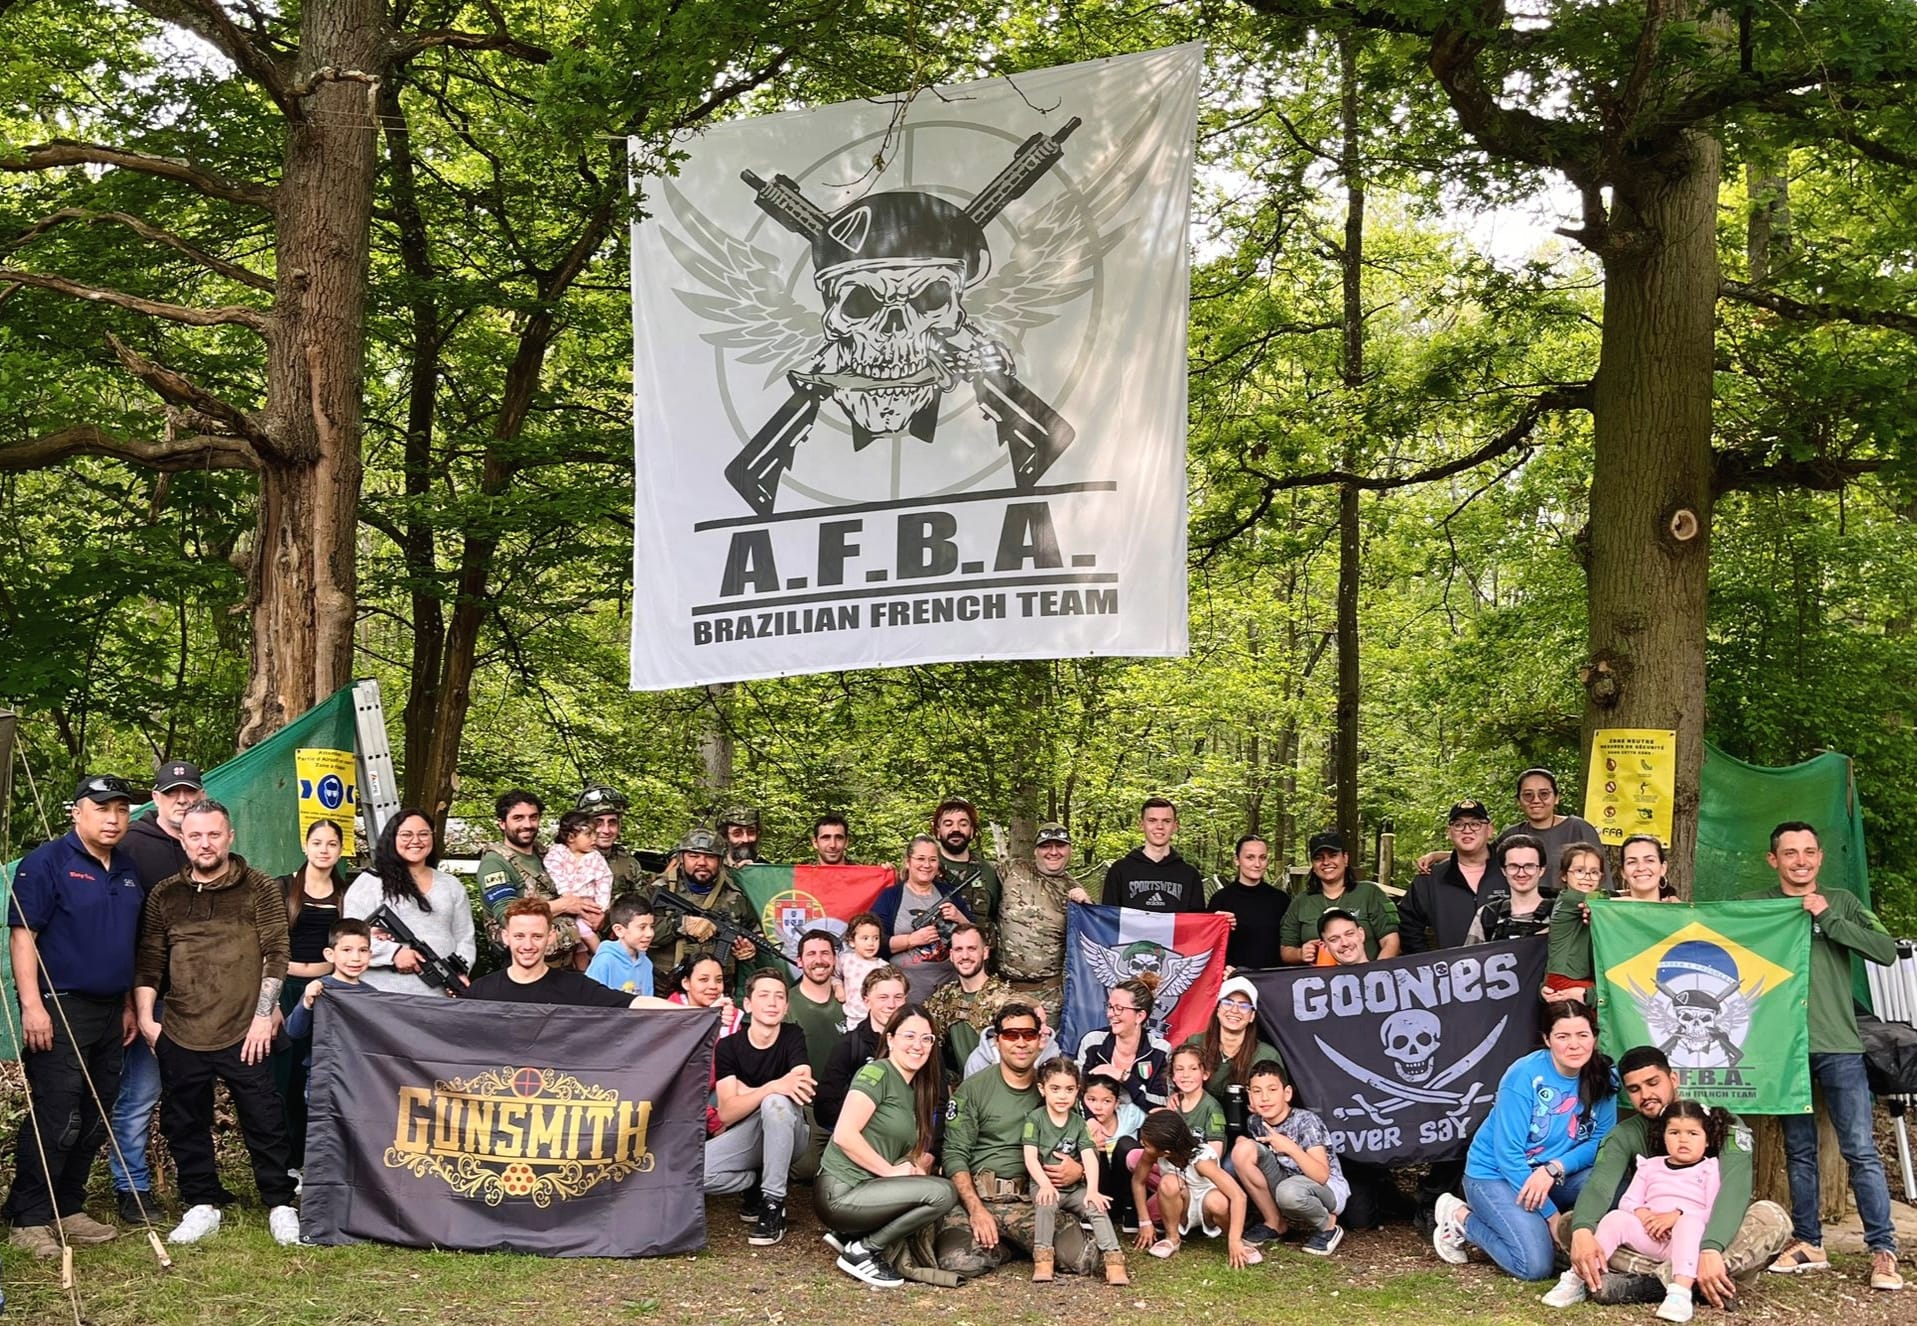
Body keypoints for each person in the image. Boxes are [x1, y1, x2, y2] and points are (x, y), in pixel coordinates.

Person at [132, 798, 299, 1246]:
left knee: (264, 1118)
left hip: (246, 1029)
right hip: (181, 1028)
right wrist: (147, 1019)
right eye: (196, 835)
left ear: (230, 837)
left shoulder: (259, 887)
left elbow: (277, 952)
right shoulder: (165, 894)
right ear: (183, 841)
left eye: (213, 834)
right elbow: (149, 961)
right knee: (184, 1120)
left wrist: (263, 1016)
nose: (205, 843)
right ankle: (201, 1203)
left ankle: (280, 1202)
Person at [1752, 821, 1901, 1290]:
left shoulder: (1843, 902)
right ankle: (1809, 1243)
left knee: (1860, 1148)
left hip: (1839, 1043)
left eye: (1809, 852)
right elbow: (1706, 934)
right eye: (1790, 853)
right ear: (1773, 860)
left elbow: (1885, 950)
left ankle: (1883, 1250)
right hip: (1784, 1047)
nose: (1801, 861)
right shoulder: (1756, 906)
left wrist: (1827, 916)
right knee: (1799, 1150)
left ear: (1819, 857)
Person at [4, 774, 143, 1258]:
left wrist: (128, 1005)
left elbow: (124, 943)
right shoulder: (46, 863)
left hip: (111, 1011)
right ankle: (28, 1216)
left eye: (121, 809)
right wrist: (32, 1005)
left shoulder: (126, 868)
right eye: (102, 808)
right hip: (59, 1006)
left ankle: (67, 1207)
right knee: (57, 1113)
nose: (113, 818)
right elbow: (23, 937)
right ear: (76, 812)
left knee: (96, 1112)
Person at [1563, 1046, 1790, 1310]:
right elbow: (1600, 1185)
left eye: (1653, 1083)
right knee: (1572, 1225)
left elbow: (1734, 1190)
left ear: (1673, 1079)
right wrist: (1582, 1231)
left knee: (1772, 1218)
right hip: (1653, 1240)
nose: (1645, 1095)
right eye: (1635, 1089)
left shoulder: (1719, 1123)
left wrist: (1711, 1248)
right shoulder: (1625, 1134)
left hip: (1709, 1234)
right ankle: (1689, 1282)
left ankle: (1651, 1286)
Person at [1433, 1000, 1618, 1280]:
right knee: (1534, 1266)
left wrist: (1554, 1168)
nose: (1574, 1045)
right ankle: (1460, 1218)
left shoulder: (1604, 1075)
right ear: (1547, 1040)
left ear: (1594, 1037)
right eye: (1562, 1036)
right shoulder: (1524, 1075)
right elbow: (1508, 1156)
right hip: (1498, 1175)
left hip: (1553, 1174)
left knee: (1615, 1187)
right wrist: (1552, 1217)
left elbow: (1600, 1141)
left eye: (1582, 1035)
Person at [937, 1003, 1094, 1279]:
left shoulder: (1055, 1088)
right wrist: (975, 1209)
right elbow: (954, 1154)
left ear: (1039, 1040)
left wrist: (1078, 1170)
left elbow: (1084, 1142)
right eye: (1011, 1035)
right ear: (997, 1041)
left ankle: (1014, 1242)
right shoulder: (973, 1089)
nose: (1021, 1043)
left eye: (1029, 1035)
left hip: (1034, 1202)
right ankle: (1010, 1246)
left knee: (1081, 1260)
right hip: (982, 1198)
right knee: (959, 1261)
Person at [111, 757, 200, 1223]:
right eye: (172, 794)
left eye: (189, 792)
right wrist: (131, 1000)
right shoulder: (131, 846)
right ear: (156, 798)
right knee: (140, 1094)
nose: (182, 800)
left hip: (201, 999)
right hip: (150, 995)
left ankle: (197, 1186)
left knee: (190, 1094)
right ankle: (131, 1186)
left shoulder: (206, 842)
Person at [1544, 1100, 1732, 1322]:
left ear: (1707, 1139)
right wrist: (1643, 1214)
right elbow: (1628, 1201)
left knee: (1689, 1224)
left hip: (1685, 1243)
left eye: (1693, 1133)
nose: (1683, 1139)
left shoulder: (1710, 1169)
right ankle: (1577, 1277)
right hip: (1650, 1238)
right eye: (1674, 1133)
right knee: (1615, 1218)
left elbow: (1715, 1210)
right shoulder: (1650, 1166)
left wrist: (1677, 1216)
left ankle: (1680, 1293)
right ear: (1664, 1136)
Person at [816, 1002, 957, 1288]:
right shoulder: (877, 1073)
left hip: (867, 1189)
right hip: (841, 1191)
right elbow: (844, 1134)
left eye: (926, 1038)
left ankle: (849, 1236)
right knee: (943, 1193)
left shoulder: (914, 1088)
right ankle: (863, 1250)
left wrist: (913, 1167)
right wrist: (890, 1172)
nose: (918, 1045)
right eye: (909, 1036)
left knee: (926, 1181)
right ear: (890, 1039)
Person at [707, 970, 814, 1246]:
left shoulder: (792, 1035)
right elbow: (726, 1112)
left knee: (776, 1104)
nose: (772, 1002)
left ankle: (773, 1203)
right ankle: (753, 1180)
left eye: (779, 997)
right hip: (749, 1135)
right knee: (695, 1173)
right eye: (764, 995)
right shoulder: (729, 1047)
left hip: (791, 1134)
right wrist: (772, 1087)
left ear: (786, 1006)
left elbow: (801, 1087)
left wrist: (747, 1092)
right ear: (748, 1004)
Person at [274, 817, 350, 1170]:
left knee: (316, 1075)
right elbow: (264, 944)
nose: (324, 850)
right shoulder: (282, 887)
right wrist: (269, 1001)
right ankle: (282, 1162)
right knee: (282, 1075)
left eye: (332, 844)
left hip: (325, 991)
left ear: (340, 850)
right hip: (284, 987)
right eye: (317, 842)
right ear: (305, 846)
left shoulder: (346, 895)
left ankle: (312, 1160)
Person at [343, 809, 477, 995]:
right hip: (382, 995)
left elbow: (465, 938)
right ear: (392, 838)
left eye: (424, 834)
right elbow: (348, 937)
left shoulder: (451, 885)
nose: (416, 840)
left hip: (438, 997)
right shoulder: (371, 882)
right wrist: (393, 953)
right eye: (406, 834)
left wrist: (459, 971)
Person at [1022, 1058, 1128, 1284]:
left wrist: (1092, 1190)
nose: (1062, 1096)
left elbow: (1089, 1156)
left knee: (1096, 1206)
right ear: (1042, 1089)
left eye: (1069, 1090)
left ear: (1077, 1091)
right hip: (1044, 1185)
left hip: (1074, 1189)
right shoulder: (1035, 1119)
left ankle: (1114, 1261)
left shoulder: (1079, 1123)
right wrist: (1045, 1184)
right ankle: (1043, 1260)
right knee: (1046, 1204)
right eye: (1055, 1089)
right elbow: (1030, 1157)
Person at [1230, 1060, 1348, 1255]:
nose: (1265, 1097)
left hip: (1324, 1188)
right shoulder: (1255, 1122)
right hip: (1286, 1180)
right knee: (1242, 1150)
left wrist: (1290, 1148)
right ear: (1249, 1096)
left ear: (1287, 1093)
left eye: (1272, 1090)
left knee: (1288, 1191)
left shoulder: (1306, 1121)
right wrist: (1242, 1142)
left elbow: (1321, 1175)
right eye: (1257, 1091)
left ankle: (1329, 1226)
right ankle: (1274, 1222)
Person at [477, 791, 596, 971]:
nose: (527, 824)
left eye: (533, 817)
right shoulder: (495, 863)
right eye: (518, 818)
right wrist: (564, 905)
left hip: (566, 961)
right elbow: (508, 915)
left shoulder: (549, 856)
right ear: (502, 823)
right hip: (525, 967)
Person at [465, 899, 663, 1007]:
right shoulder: (480, 991)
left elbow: (633, 1002)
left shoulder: (575, 986)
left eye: (537, 936)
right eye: (519, 936)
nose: (528, 945)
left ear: (551, 936)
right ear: (505, 937)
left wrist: (684, 1013)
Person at [1128, 1108, 1253, 1266]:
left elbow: (1238, 1195)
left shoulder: (1201, 1161)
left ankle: (1235, 1239)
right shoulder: (1151, 1153)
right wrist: (1144, 1221)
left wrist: (1235, 1240)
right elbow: (1138, 1181)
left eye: (1146, 1145)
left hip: (1208, 1206)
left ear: (1166, 1152)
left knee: (1217, 1201)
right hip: (1183, 1203)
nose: (1142, 1145)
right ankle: (1172, 1238)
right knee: (1168, 1182)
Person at [874, 835, 976, 1000]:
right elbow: (874, 942)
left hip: (950, 993)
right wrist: (910, 940)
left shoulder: (950, 893)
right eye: (920, 859)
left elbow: (976, 939)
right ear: (908, 862)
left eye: (932, 860)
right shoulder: (890, 897)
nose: (927, 865)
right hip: (904, 995)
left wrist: (960, 918)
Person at [647, 827, 759, 976]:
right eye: (694, 856)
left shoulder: (735, 894)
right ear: (681, 858)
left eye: (710, 857)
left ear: (720, 860)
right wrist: (679, 924)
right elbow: (630, 932)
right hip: (662, 984)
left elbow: (754, 931)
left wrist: (748, 948)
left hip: (717, 986)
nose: (702, 863)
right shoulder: (659, 889)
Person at [1399, 799, 1506, 953]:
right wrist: (1428, 961)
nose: (1467, 830)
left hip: (1508, 965)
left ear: (1489, 830)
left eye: (1475, 824)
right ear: (1449, 832)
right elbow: (1408, 926)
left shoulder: (1512, 872)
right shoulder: (1430, 880)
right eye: (1458, 824)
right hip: (1451, 966)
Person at [1279, 831, 1400, 964]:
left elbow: (1391, 941)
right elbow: (1285, 950)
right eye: (1319, 858)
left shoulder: (1369, 893)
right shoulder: (1301, 901)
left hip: (1366, 973)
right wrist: (1300, 953)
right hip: (1319, 975)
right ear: (1313, 865)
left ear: (1345, 858)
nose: (1326, 862)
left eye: (1333, 855)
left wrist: (1376, 972)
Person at [784, 929, 845, 1181]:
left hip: (849, 1102)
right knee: (805, 1170)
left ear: (835, 959)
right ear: (799, 961)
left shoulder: (850, 1000)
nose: (819, 960)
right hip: (808, 1104)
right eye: (811, 954)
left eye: (825, 953)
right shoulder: (786, 1003)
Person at [282, 917, 373, 1084]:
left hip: (359, 1079)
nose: (356, 957)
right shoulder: (318, 989)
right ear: (330, 955)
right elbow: (293, 1032)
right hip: (323, 1078)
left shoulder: (372, 994)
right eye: (347, 950)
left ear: (370, 954)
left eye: (363, 950)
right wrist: (307, 1003)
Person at [817, 966, 909, 1129]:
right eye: (883, 997)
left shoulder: (920, 1043)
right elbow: (825, 1107)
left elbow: (937, 1098)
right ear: (867, 1000)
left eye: (898, 997)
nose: (891, 1004)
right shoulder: (849, 1046)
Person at [926, 924, 1015, 1074]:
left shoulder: (1006, 1000)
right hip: (959, 1086)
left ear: (985, 952)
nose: (965, 956)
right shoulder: (944, 997)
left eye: (972, 948)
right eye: (958, 949)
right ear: (951, 955)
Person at [1002, 822, 1083, 983]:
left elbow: (1091, 940)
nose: (1053, 852)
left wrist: (1087, 906)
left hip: (1049, 991)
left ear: (1070, 850)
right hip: (1004, 989)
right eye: (1046, 846)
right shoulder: (1012, 870)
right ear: (1035, 851)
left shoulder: (1075, 892)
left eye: (1060, 846)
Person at [1182, 975, 1281, 1105]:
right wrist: (1177, 1095)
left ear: (1252, 1016)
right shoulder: (1195, 1043)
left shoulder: (1266, 1055)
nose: (1234, 1010)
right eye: (1228, 1003)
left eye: (1244, 1006)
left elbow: (1276, 1100)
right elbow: (1178, 1080)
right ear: (1218, 1009)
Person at [1496, 768, 1605, 887]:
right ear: (1518, 801)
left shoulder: (1578, 828)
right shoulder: (1511, 835)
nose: (1536, 800)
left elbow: (1601, 880)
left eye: (1544, 794)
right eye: (1528, 795)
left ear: (1557, 798)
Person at [1077, 976, 1172, 1110]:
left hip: (1143, 1122)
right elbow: (1079, 1091)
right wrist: (1091, 1119)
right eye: (1110, 1007)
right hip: (1095, 1120)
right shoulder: (1092, 1042)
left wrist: (1125, 1078)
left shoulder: (1160, 1050)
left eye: (1119, 1008)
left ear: (1139, 1016)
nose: (1110, 1014)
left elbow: (1161, 1104)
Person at [1100, 798, 1204, 913]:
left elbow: (1199, 920)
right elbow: (1107, 916)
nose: (1159, 826)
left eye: (1166, 821)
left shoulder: (1189, 874)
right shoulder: (1120, 870)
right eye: (1152, 820)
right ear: (1141, 825)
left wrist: (1218, 918)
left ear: (1175, 826)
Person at [1207, 835, 1288, 969]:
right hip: (1234, 977)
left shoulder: (1281, 899)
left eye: (1262, 858)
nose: (1257, 864)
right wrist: (1215, 924)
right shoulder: (1220, 899)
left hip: (1273, 977)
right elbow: (1207, 943)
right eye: (1250, 857)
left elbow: (1290, 942)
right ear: (1237, 860)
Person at [542, 809, 613, 963]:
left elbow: (604, 879)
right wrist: (566, 893)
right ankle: (600, 961)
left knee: (584, 932)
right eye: (588, 835)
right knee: (578, 939)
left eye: (594, 834)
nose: (594, 838)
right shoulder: (557, 854)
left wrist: (601, 907)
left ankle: (604, 960)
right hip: (563, 905)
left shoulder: (595, 857)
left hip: (588, 906)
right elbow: (554, 872)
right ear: (571, 837)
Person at [1544, 842, 1610, 1002]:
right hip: (1564, 980)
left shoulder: (1591, 900)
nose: (1587, 877)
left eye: (1594, 872)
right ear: (1564, 875)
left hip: (1576, 977)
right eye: (1579, 871)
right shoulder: (1570, 898)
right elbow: (1610, 901)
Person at [1464, 833, 1557, 945]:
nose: (1521, 873)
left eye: (1529, 866)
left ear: (1541, 870)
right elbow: (1471, 955)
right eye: (1513, 866)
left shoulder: (1560, 913)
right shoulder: (1487, 914)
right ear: (1504, 871)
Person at [932, 798, 1001, 945]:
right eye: (948, 824)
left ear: (972, 831)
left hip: (976, 955)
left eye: (963, 824)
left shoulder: (987, 871)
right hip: (931, 956)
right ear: (938, 831)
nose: (956, 829)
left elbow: (997, 918)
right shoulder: (924, 868)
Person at [1081, 1076, 1146, 1231]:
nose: (1098, 1107)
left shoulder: (1130, 1115)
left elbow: (1153, 1108)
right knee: (1094, 1145)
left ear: (1117, 1103)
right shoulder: (1079, 1121)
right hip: (1097, 1185)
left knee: (1125, 1143)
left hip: (1126, 1184)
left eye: (1106, 1101)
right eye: (1091, 1100)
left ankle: (1131, 1211)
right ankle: (1097, 1208)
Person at [583, 894, 656, 995]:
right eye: (642, 927)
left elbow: (647, 1000)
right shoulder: (605, 961)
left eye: (651, 926)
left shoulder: (647, 964)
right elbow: (589, 998)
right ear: (619, 930)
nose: (650, 933)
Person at [576, 785, 646, 890]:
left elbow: (640, 898)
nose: (606, 830)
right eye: (598, 823)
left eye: (612, 823)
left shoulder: (629, 864)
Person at [836, 912, 887, 1020]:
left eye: (875, 938)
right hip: (851, 1018)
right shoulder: (845, 960)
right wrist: (838, 987)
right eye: (865, 938)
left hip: (875, 1019)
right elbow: (834, 976)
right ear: (851, 941)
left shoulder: (883, 966)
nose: (871, 943)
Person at [1619, 833, 1681, 902]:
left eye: (1649, 860)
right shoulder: (1611, 906)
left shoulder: (1680, 908)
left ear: (1663, 868)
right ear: (1623, 872)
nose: (1641, 868)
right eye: (1632, 862)